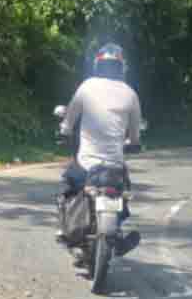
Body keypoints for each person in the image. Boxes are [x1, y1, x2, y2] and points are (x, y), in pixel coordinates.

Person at [58, 42, 141, 255]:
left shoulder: (87, 86)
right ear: (121, 67)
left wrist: (64, 132)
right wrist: (133, 144)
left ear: (98, 64)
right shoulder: (130, 94)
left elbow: (69, 118)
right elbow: (135, 134)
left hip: (87, 162)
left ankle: (65, 229)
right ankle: (117, 234)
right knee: (122, 193)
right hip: (114, 165)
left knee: (68, 186)